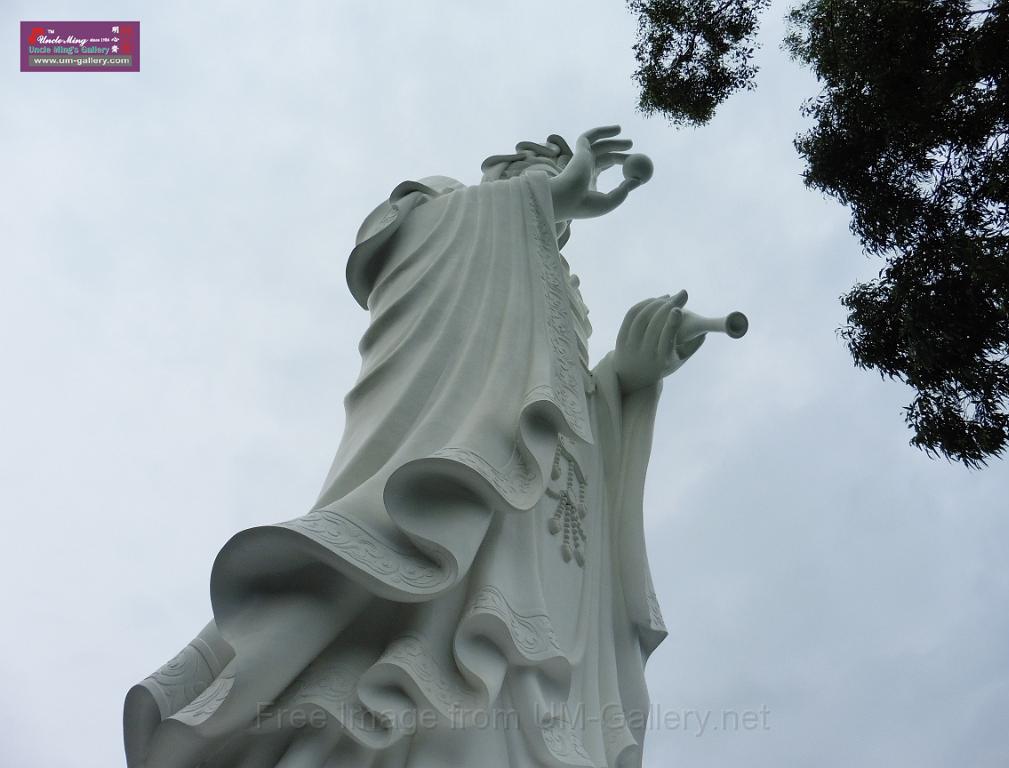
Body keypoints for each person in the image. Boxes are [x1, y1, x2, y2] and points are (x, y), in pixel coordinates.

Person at [125, 125, 707, 768]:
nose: (552, 189)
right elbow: (393, 257)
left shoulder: (554, 289)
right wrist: (537, 199)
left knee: (512, 707)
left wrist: (625, 378)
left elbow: (562, 412)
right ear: (502, 172)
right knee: (422, 693)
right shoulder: (441, 207)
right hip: (456, 501)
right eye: (537, 169)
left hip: (540, 551)